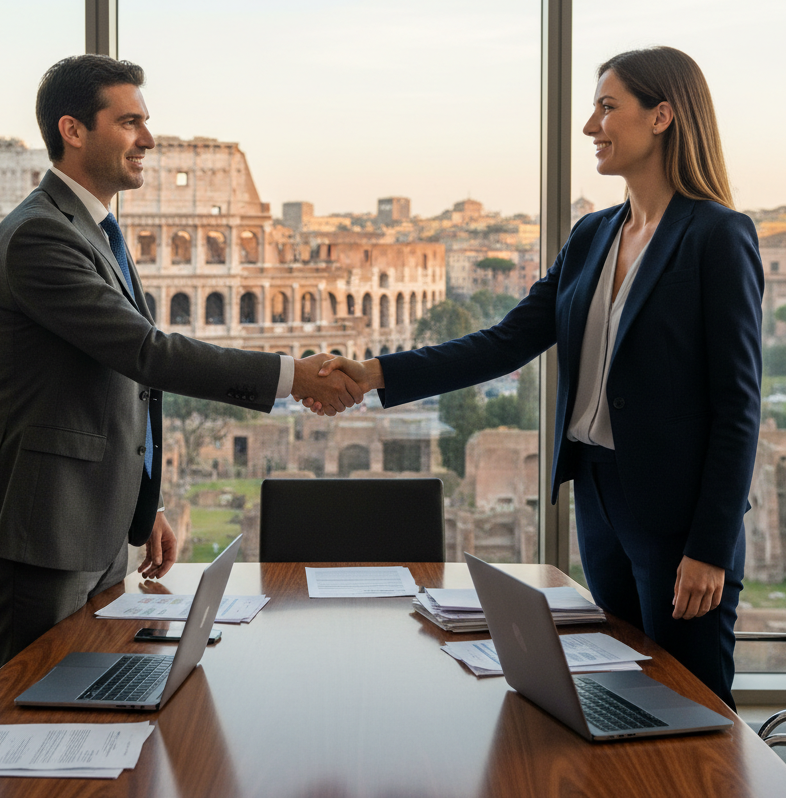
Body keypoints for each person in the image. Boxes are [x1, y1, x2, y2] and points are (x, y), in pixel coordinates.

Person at [307, 47, 763, 707]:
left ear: (662, 115)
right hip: (600, 501)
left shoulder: (718, 235)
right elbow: (506, 342)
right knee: (619, 693)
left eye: (608, 107)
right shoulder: (593, 235)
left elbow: (738, 406)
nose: (591, 126)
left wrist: (711, 547)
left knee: (688, 704)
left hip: (678, 517)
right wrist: (375, 373)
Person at [0, 54, 362, 671]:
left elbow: (115, 383)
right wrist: (292, 376)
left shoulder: (93, 230)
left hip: (85, 514)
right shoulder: (41, 237)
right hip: (40, 523)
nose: (147, 139)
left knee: (87, 694)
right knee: (30, 709)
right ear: (73, 130)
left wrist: (141, 505)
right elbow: (145, 353)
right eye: (128, 123)